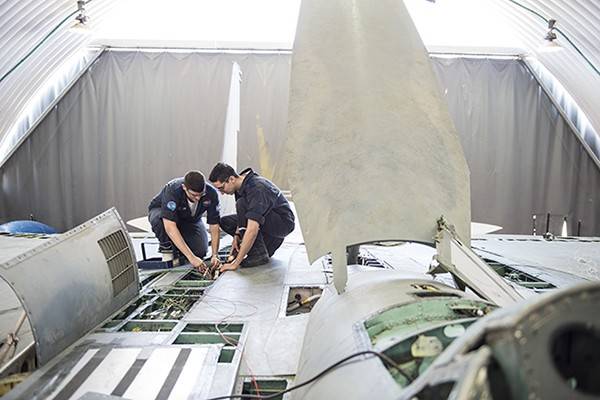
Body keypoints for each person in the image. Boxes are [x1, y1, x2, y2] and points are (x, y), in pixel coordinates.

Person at [209, 162, 295, 271]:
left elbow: (252, 229)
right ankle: (263, 249)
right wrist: (237, 235)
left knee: (242, 204)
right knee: (226, 221)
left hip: (282, 224)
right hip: (268, 223)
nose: (222, 193)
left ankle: (258, 254)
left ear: (231, 179)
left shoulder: (256, 189)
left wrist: (235, 264)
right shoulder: (241, 186)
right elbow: (242, 218)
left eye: (221, 188)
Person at [148, 171, 221, 271]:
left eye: (201, 194)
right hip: (164, 215)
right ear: (184, 188)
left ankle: (182, 249)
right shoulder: (173, 190)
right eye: (194, 195)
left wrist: (215, 254)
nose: (198, 198)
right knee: (158, 219)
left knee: (200, 252)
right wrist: (191, 258)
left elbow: (214, 225)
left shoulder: (211, 193)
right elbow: (170, 226)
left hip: (190, 219)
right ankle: (167, 248)